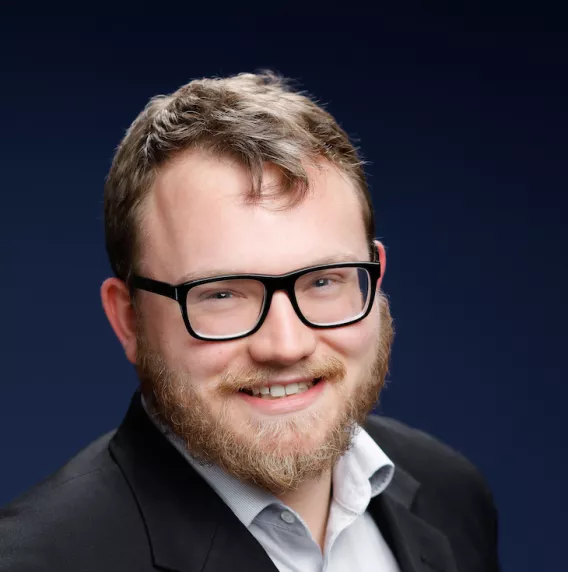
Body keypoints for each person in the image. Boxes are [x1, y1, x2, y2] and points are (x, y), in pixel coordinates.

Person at [0, 72, 500, 572]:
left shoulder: (450, 493)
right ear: (129, 319)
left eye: (323, 282)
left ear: (375, 279)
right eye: (221, 294)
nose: (286, 345)